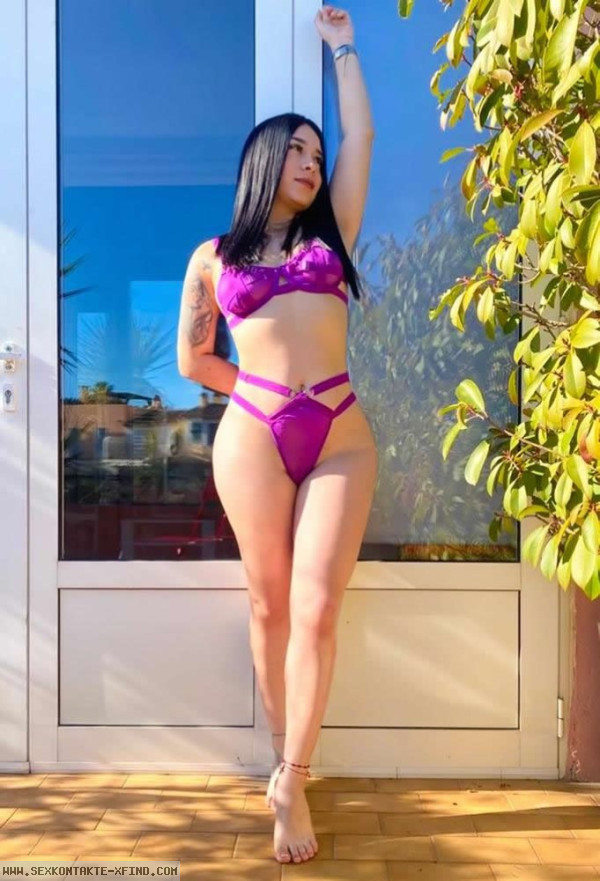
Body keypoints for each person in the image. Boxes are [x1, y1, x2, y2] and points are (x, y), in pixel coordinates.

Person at [176, 5, 377, 865]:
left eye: (316, 155)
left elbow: (362, 137)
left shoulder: (334, 234)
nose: (312, 162)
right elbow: (193, 359)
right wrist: (255, 394)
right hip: (254, 434)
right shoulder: (213, 256)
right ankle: (278, 751)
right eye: (297, 150)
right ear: (263, 160)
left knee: (317, 605)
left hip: (339, 431)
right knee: (267, 603)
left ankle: (293, 779)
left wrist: (344, 49)